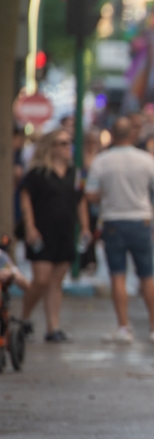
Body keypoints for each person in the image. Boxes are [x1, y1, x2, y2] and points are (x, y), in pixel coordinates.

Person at [85, 116, 154, 343]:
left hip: (113, 221)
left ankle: (124, 327)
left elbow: (91, 194)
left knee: (118, 275)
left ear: (112, 134)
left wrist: (106, 197)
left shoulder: (101, 161)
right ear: (132, 135)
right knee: (147, 275)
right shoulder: (145, 159)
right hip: (141, 220)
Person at [18, 130, 89, 341]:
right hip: (42, 231)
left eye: (69, 143)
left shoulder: (75, 174)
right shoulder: (37, 173)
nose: (68, 147)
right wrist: (30, 227)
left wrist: (84, 227)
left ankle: (53, 327)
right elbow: (25, 199)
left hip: (65, 231)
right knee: (40, 279)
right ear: (51, 147)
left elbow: (81, 200)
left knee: (56, 281)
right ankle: (24, 317)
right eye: (63, 143)